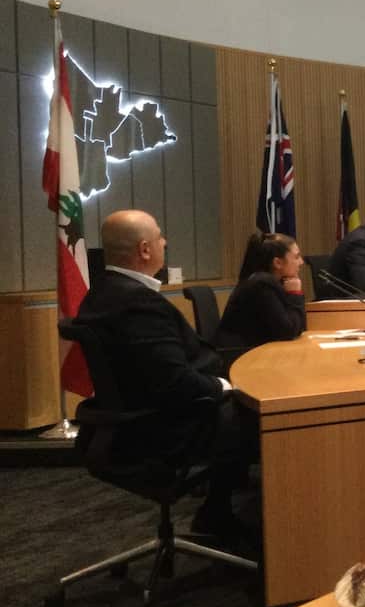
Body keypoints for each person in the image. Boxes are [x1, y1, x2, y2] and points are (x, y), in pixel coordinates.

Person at [73, 210, 257, 539]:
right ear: (145, 249)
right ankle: (222, 516)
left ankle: (218, 510)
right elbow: (176, 383)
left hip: (129, 421)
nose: (165, 242)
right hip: (158, 429)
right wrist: (223, 386)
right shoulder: (136, 303)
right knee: (264, 415)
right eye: (160, 237)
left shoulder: (102, 293)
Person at [214, 232, 308, 364]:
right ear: (278, 262)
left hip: (254, 351)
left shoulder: (269, 281)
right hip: (240, 356)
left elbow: (298, 328)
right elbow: (288, 332)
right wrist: (295, 294)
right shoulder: (261, 285)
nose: (301, 262)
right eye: (296, 257)